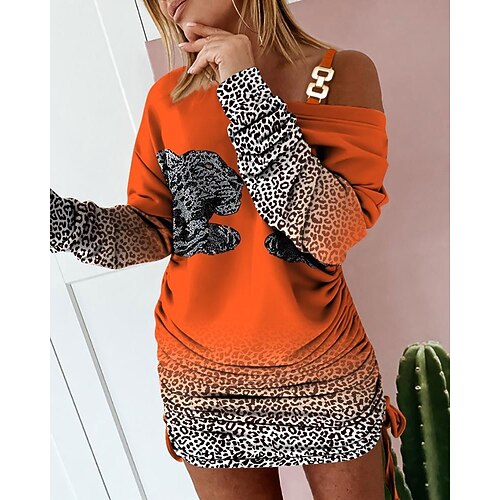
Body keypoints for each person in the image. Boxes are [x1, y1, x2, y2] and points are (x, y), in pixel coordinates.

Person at [50, 1, 407, 498]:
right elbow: (153, 228)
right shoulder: (167, 98)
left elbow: (330, 232)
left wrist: (245, 90)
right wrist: (53, 218)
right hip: (201, 377)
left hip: (324, 369)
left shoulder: (338, 72)